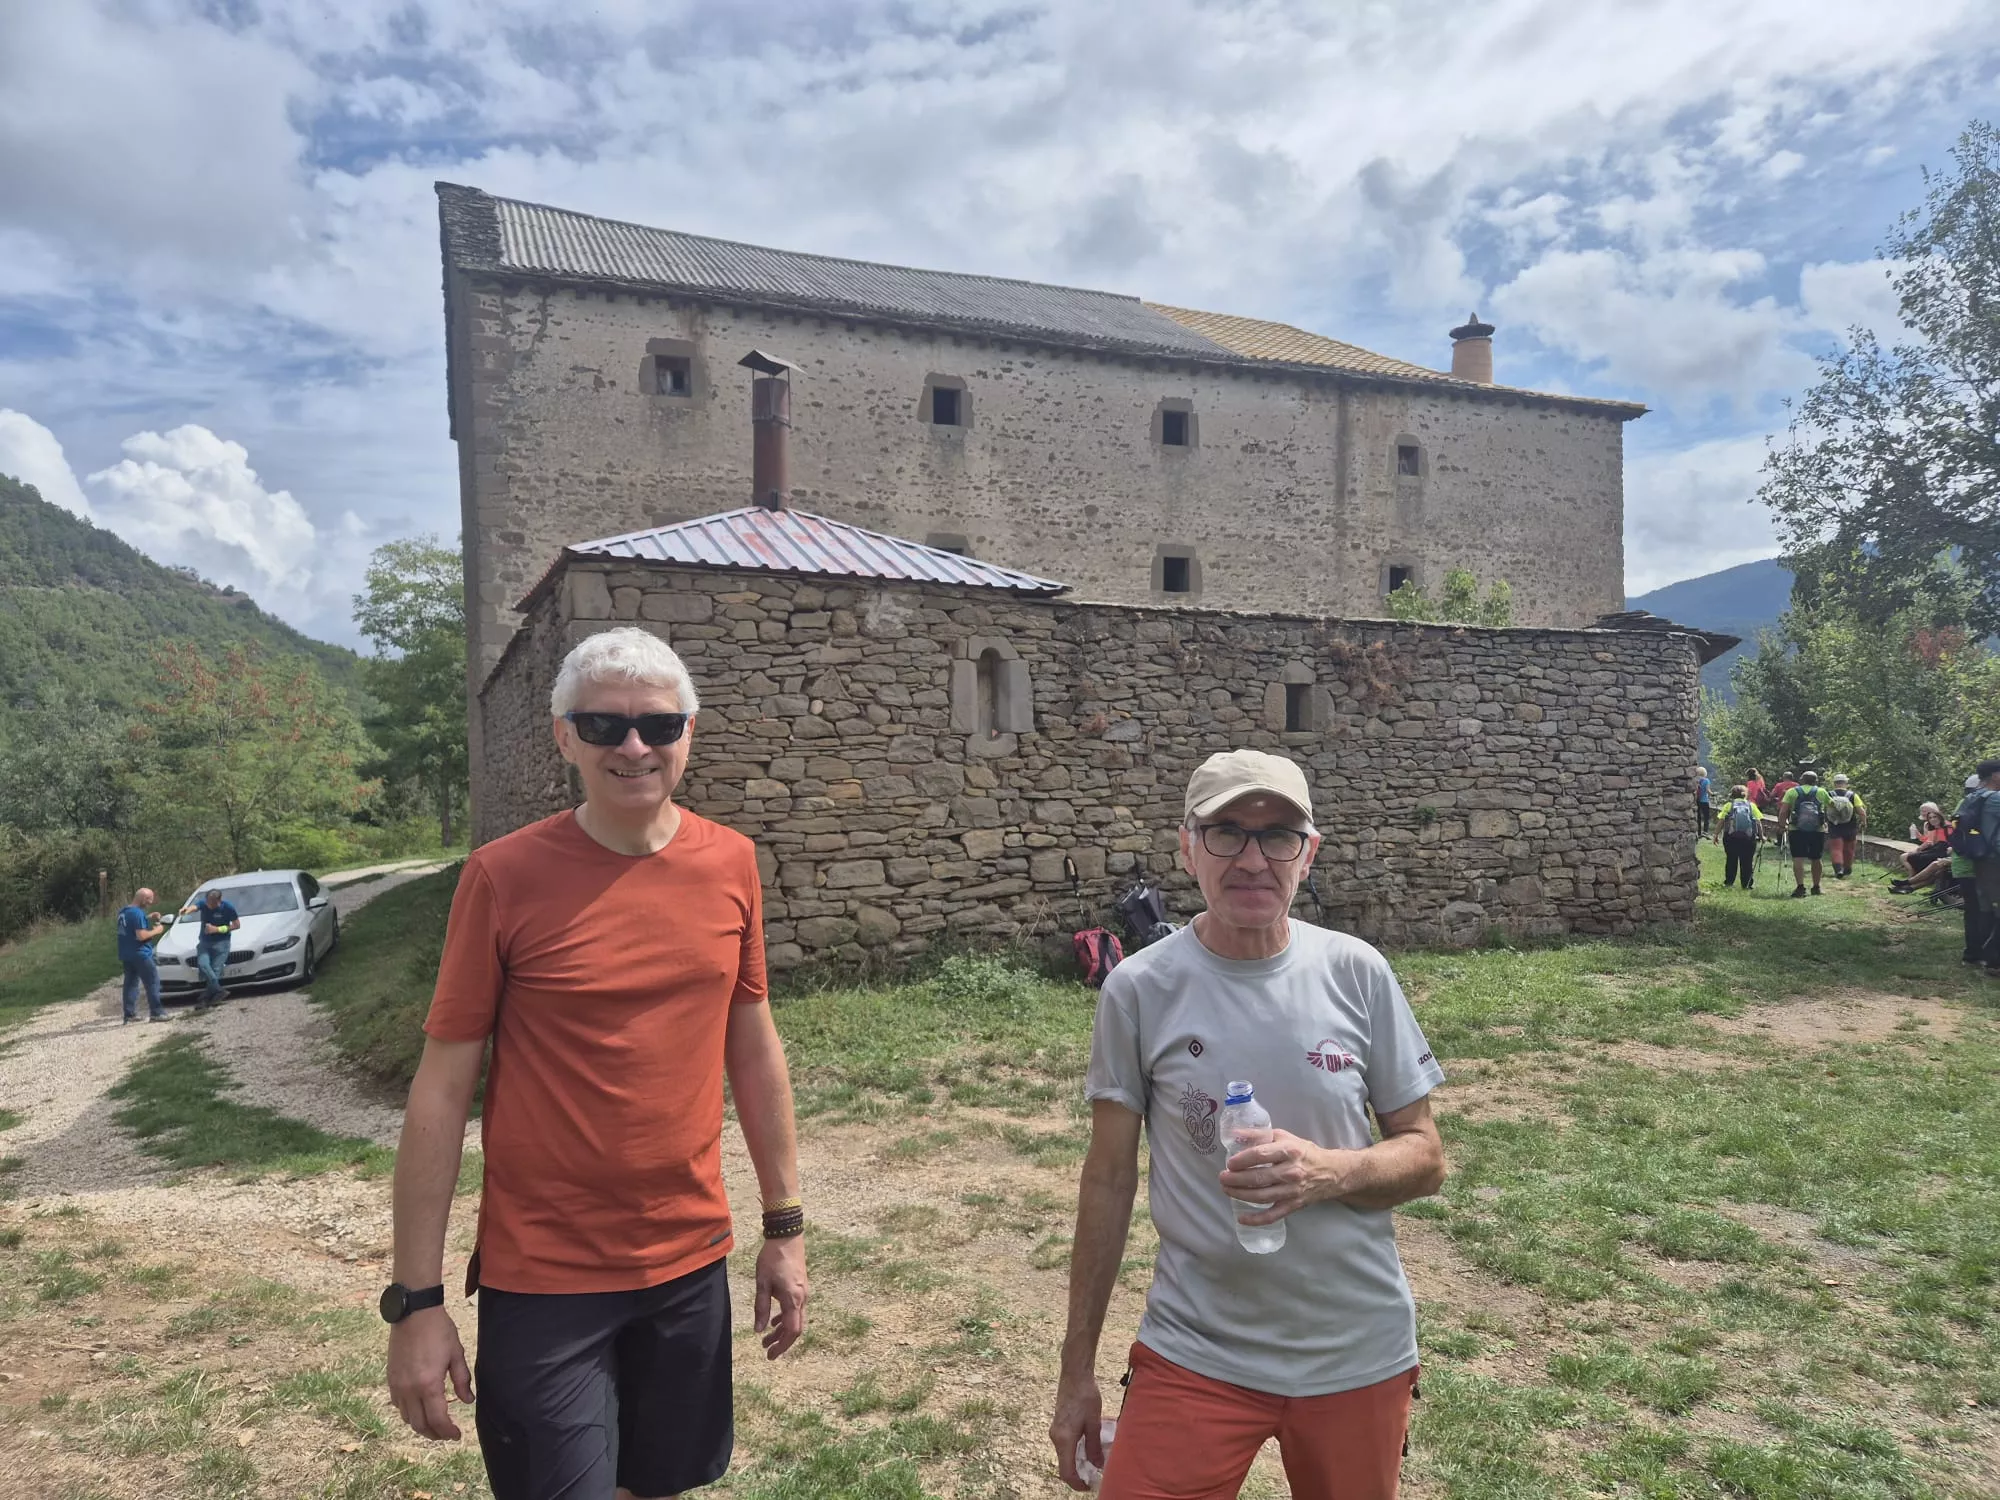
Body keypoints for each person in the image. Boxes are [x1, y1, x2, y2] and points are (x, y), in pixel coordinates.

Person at [385, 627, 808, 1500]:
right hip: (545, 1277)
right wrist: (416, 1303)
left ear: (689, 732)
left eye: (658, 725)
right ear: (563, 736)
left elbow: (754, 1047)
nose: (634, 747)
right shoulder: (502, 879)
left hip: (688, 1262)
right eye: (603, 725)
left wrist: (784, 1228)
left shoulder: (731, 862)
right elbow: (440, 1090)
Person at [1050, 748, 1447, 1500]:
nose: (1253, 858)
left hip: (1354, 1351)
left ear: (1310, 853)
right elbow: (1106, 1181)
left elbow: (1426, 1157)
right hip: (1196, 1350)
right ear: (1188, 847)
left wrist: (1334, 1172)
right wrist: (1076, 1376)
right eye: (1227, 832)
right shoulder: (1140, 989)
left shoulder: (1357, 972)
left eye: (1278, 836)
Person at [1952, 758, 2000, 977]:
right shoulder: (1995, 799)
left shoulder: (1971, 798)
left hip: (1977, 860)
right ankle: (1993, 961)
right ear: (1995, 775)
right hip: (1993, 860)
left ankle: (1980, 955)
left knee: (1983, 909)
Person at [1950, 775, 1992, 966]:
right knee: (1984, 911)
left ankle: (1972, 953)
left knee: (1972, 910)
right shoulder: (1984, 804)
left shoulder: (1965, 803)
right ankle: (1981, 953)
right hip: (1977, 864)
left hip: (1961, 863)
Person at [116, 887, 169, 1024]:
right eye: (149, 900)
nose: (150, 903)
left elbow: (130, 924)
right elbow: (141, 936)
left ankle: (129, 1015)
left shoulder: (124, 912)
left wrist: (148, 917)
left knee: (130, 984)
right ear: (143, 898)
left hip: (126, 954)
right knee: (152, 982)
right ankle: (157, 1013)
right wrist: (157, 930)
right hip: (141, 953)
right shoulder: (137, 913)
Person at [1776, 770, 1830, 898]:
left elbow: (1783, 811)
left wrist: (1782, 826)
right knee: (1816, 858)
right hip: (1817, 830)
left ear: (1801, 780)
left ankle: (1800, 887)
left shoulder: (1792, 792)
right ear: (1816, 781)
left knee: (1798, 858)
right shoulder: (1821, 792)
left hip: (1796, 829)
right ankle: (1816, 887)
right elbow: (1832, 806)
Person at [191, 888, 240, 1009]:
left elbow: (236, 925)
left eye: (213, 903)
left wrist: (217, 929)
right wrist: (185, 910)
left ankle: (204, 999)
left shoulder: (228, 908)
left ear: (219, 900)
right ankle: (218, 991)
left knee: (215, 970)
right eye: (208, 902)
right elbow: (194, 907)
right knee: (203, 965)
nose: (210, 905)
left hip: (222, 943)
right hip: (205, 942)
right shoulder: (204, 904)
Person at [1889, 805, 1951, 893]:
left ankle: (1907, 883)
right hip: (1936, 849)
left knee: (1920, 860)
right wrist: (1919, 836)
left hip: (1943, 851)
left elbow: (1935, 842)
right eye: (1930, 817)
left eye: (1934, 817)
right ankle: (1907, 886)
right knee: (1910, 857)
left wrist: (1920, 848)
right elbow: (1930, 841)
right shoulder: (1931, 826)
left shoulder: (1947, 827)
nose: (1932, 819)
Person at [1714, 784, 1761, 890]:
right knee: (1747, 861)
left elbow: (1721, 821)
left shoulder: (1728, 805)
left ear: (1732, 795)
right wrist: (1762, 836)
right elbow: (1758, 822)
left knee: (1731, 860)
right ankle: (1747, 884)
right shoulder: (1751, 805)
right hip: (1748, 838)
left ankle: (1729, 882)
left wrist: (1716, 834)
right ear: (1745, 795)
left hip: (1730, 837)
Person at [1824, 774, 1868, 879]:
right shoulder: (1852, 795)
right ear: (1846, 783)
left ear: (1834, 783)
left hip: (1834, 825)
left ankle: (1838, 870)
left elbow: (1824, 809)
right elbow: (1861, 812)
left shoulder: (1829, 794)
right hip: (1850, 825)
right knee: (1849, 848)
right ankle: (1847, 869)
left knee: (1836, 848)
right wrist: (1864, 822)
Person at [1694, 766, 1713, 835]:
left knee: (1698, 817)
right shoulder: (1706, 780)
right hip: (1705, 801)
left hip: (1698, 801)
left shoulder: (1697, 781)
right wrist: (1712, 794)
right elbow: (1708, 790)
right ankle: (1705, 832)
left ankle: (1698, 832)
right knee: (1706, 817)